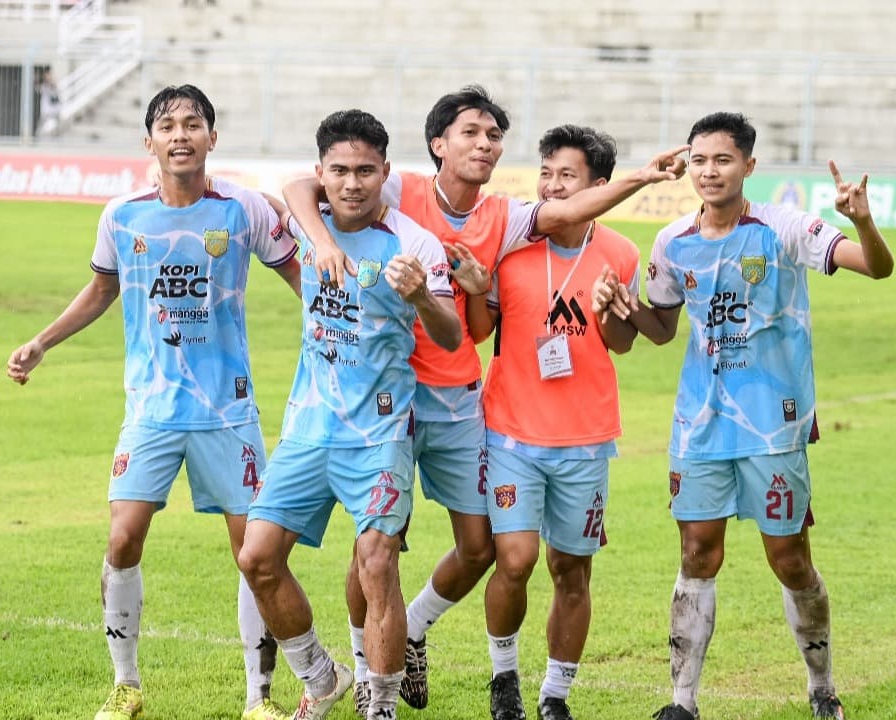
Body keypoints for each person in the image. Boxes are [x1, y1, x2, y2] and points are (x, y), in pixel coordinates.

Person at [282, 85, 687, 715]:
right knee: (377, 545)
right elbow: (304, 188)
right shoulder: (399, 188)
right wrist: (324, 241)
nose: (484, 143)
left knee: (480, 548)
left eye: (494, 135)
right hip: (384, 396)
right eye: (470, 132)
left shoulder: (505, 217)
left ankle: (411, 628)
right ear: (438, 143)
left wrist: (639, 177)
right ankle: (366, 670)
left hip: (454, 396)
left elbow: (563, 220)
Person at [5, 84, 302, 720]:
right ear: (149, 142)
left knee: (254, 553)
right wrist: (41, 342)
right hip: (152, 412)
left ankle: (259, 697)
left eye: (193, 124)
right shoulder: (122, 216)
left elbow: (301, 276)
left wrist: (344, 332)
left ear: (212, 138)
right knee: (122, 539)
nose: (180, 135)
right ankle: (126, 685)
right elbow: (100, 289)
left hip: (229, 411)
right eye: (167, 125)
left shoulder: (243, 209)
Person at [592, 112, 894, 720]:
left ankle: (821, 687)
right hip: (700, 424)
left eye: (723, 160)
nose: (709, 171)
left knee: (790, 558)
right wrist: (620, 307)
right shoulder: (672, 241)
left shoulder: (783, 228)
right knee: (697, 553)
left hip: (773, 423)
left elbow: (877, 267)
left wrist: (860, 217)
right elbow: (659, 329)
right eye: (699, 160)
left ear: (749, 166)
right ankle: (682, 702)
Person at [236, 108, 461, 720]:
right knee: (256, 556)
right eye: (340, 170)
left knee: (378, 563)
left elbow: (449, 335)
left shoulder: (414, 243)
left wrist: (419, 296)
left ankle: (380, 707)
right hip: (310, 426)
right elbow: (290, 190)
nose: (353, 182)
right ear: (323, 172)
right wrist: (325, 239)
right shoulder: (312, 222)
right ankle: (320, 673)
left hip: (379, 434)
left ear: (385, 171)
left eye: (366, 170)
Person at [454, 124, 639, 720]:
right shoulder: (513, 248)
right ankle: (503, 677)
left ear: (599, 187)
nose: (553, 186)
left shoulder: (621, 254)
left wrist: (614, 312)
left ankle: (555, 695)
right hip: (509, 431)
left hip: (585, 439)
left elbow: (620, 343)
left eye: (568, 176)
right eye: (547, 173)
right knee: (515, 559)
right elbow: (484, 333)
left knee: (571, 570)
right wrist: (481, 292)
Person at [37, 69, 61, 138]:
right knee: (42, 121)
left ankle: (56, 134)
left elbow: (55, 90)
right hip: (46, 107)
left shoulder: (53, 84)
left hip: (54, 107)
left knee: (57, 121)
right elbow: (40, 89)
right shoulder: (43, 85)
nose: (48, 77)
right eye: (46, 76)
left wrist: (52, 81)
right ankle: (37, 135)